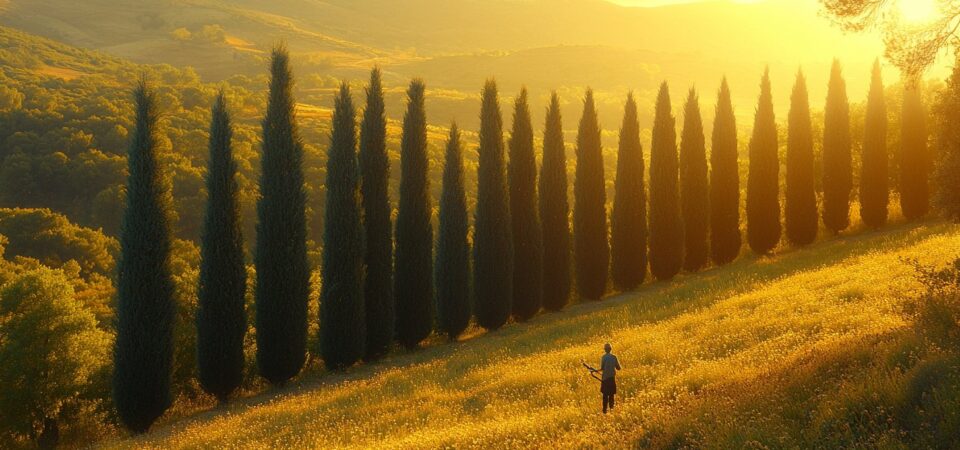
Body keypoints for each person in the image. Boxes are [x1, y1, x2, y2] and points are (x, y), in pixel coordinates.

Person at [599, 343, 621, 414]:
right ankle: (612, 409)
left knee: (605, 395)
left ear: (605, 350)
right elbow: (618, 368)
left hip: (605, 379)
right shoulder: (614, 357)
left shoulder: (603, 357)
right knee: (611, 395)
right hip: (612, 379)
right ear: (611, 349)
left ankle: (604, 410)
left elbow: (602, 368)